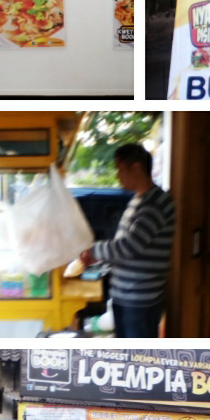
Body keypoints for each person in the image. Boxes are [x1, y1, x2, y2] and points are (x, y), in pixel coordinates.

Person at [80, 143, 174, 338]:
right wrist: (100, 259)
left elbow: (129, 246)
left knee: (137, 358)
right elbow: (125, 246)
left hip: (140, 300)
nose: (117, 175)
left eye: (120, 170)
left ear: (136, 168)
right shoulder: (139, 199)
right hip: (127, 296)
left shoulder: (154, 204)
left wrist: (94, 250)